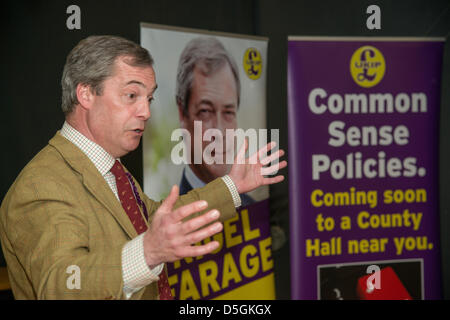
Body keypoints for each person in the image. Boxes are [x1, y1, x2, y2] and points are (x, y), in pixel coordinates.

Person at [0, 35, 286, 300]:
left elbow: (157, 221)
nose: (146, 112)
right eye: (131, 96)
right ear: (86, 94)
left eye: (148, 98)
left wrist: (232, 186)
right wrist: (148, 252)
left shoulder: (112, 170)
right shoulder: (42, 185)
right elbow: (60, 285)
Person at [176, 37, 254, 207]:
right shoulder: (165, 218)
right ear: (182, 114)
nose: (219, 131)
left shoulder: (253, 209)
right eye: (205, 112)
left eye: (228, 112)